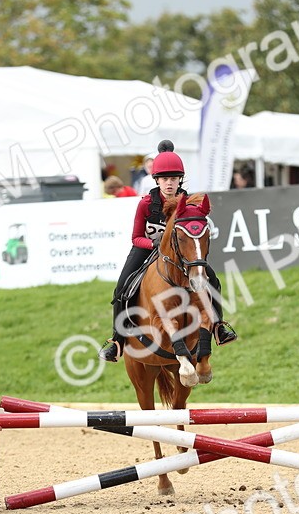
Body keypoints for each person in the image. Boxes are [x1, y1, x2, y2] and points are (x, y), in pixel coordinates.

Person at [99, 141, 238, 362]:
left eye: (174, 178)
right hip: (147, 248)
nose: (169, 183)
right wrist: (156, 246)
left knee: (212, 278)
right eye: (164, 179)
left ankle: (219, 327)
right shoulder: (146, 204)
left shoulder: (188, 203)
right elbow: (136, 237)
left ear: (180, 179)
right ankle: (117, 341)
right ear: (156, 180)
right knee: (122, 286)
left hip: (180, 255)